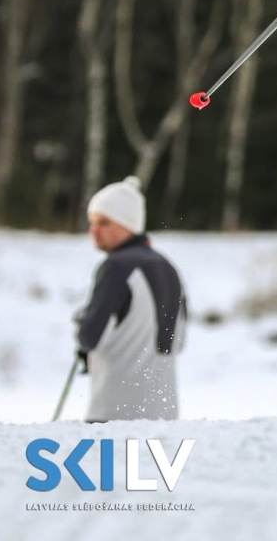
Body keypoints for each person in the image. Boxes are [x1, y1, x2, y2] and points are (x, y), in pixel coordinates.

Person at [74, 176, 187, 421]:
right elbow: (178, 341)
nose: (94, 230)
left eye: (103, 222)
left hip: (115, 413)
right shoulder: (169, 268)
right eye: (91, 222)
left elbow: (91, 336)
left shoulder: (117, 267)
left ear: (128, 223)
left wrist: (84, 325)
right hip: (164, 415)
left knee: (108, 461)